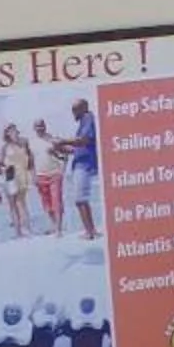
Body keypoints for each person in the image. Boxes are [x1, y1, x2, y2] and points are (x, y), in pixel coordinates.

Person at [64, 97, 99, 241]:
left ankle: (89, 232)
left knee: (79, 199)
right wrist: (63, 148)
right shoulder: (84, 122)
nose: (73, 113)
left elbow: (84, 140)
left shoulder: (88, 118)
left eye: (75, 110)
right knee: (82, 199)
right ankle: (91, 230)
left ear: (83, 108)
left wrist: (63, 141)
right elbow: (80, 147)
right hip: (81, 163)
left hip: (84, 164)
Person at [0, 125, 39, 241]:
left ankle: (28, 229)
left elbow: (31, 160)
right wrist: (4, 168)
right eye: (11, 131)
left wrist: (34, 175)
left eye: (15, 130)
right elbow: (0, 162)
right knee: (12, 204)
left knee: (21, 201)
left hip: (22, 174)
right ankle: (18, 232)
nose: (14, 133)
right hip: (10, 175)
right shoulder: (5, 147)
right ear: (7, 134)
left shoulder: (24, 142)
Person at [33, 120, 69, 239]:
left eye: (41, 126)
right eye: (37, 126)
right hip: (40, 175)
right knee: (46, 203)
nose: (40, 128)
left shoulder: (53, 140)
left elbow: (66, 154)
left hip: (54, 174)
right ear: (34, 128)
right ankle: (54, 225)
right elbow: (31, 161)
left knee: (56, 201)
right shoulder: (32, 143)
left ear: (45, 126)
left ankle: (58, 229)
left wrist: (63, 170)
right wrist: (33, 176)